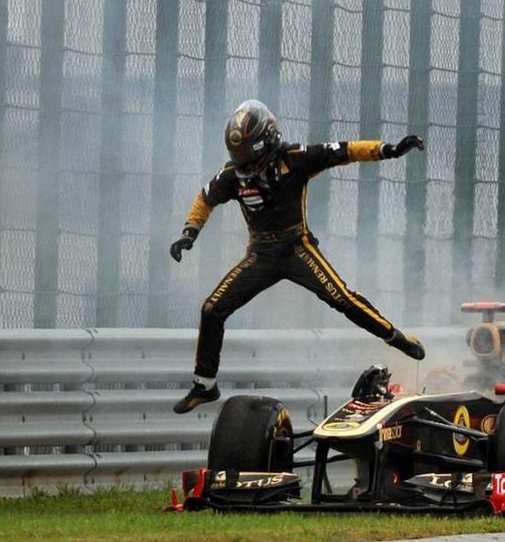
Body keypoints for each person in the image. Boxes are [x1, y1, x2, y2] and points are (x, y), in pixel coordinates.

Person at [169, 99, 426, 414]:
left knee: (341, 298)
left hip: (296, 248)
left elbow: (346, 151)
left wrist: (389, 150)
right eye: (239, 157)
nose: (245, 166)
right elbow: (205, 198)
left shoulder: (297, 158)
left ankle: (395, 336)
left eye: (250, 157)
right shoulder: (232, 176)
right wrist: (189, 232)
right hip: (260, 255)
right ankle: (205, 385)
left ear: (269, 141)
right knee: (212, 309)